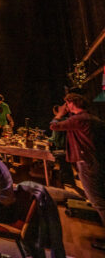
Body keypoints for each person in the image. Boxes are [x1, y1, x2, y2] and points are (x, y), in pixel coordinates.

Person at [50, 93, 105, 251]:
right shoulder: (90, 117)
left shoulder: (78, 119)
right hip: (94, 160)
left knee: (99, 202)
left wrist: (59, 114)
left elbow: (54, 125)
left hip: (87, 162)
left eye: (66, 103)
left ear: (71, 103)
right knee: (99, 199)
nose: (65, 106)